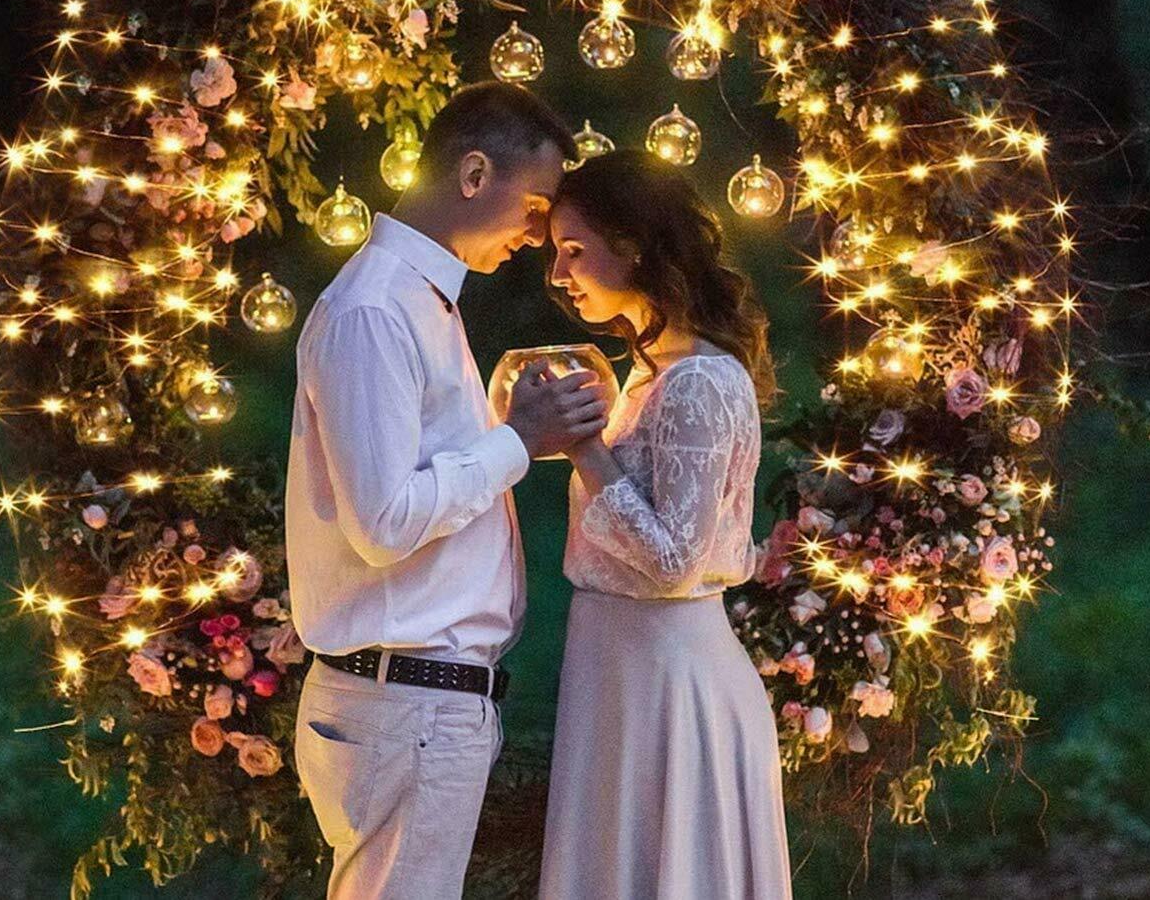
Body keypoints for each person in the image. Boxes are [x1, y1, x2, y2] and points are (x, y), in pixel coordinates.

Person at [285, 81, 609, 900]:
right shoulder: (375, 309)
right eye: (535, 210)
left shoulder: (424, 302)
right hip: (406, 702)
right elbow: (384, 523)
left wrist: (512, 438)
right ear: (473, 175)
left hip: (419, 701)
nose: (538, 239)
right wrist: (516, 441)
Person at [539, 149, 793, 900]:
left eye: (574, 249)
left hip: (666, 683)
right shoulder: (649, 376)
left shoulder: (697, 381)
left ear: (633, 246)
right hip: (621, 671)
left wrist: (586, 449)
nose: (558, 274)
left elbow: (676, 560)